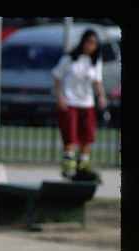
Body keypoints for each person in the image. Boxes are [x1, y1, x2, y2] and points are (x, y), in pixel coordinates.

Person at [52, 29, 107, 182]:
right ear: (83, 42)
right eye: (89, 42)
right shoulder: (70, 59)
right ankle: (68, 165)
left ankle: (82, 164)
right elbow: (57, 77)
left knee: (87, 135)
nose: (91, 46)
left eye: (94, 44)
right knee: (70, 134)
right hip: (69, 101)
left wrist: (101, 96)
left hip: (87, 102)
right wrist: (59, 98)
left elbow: (97, 81)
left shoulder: (95, 61)